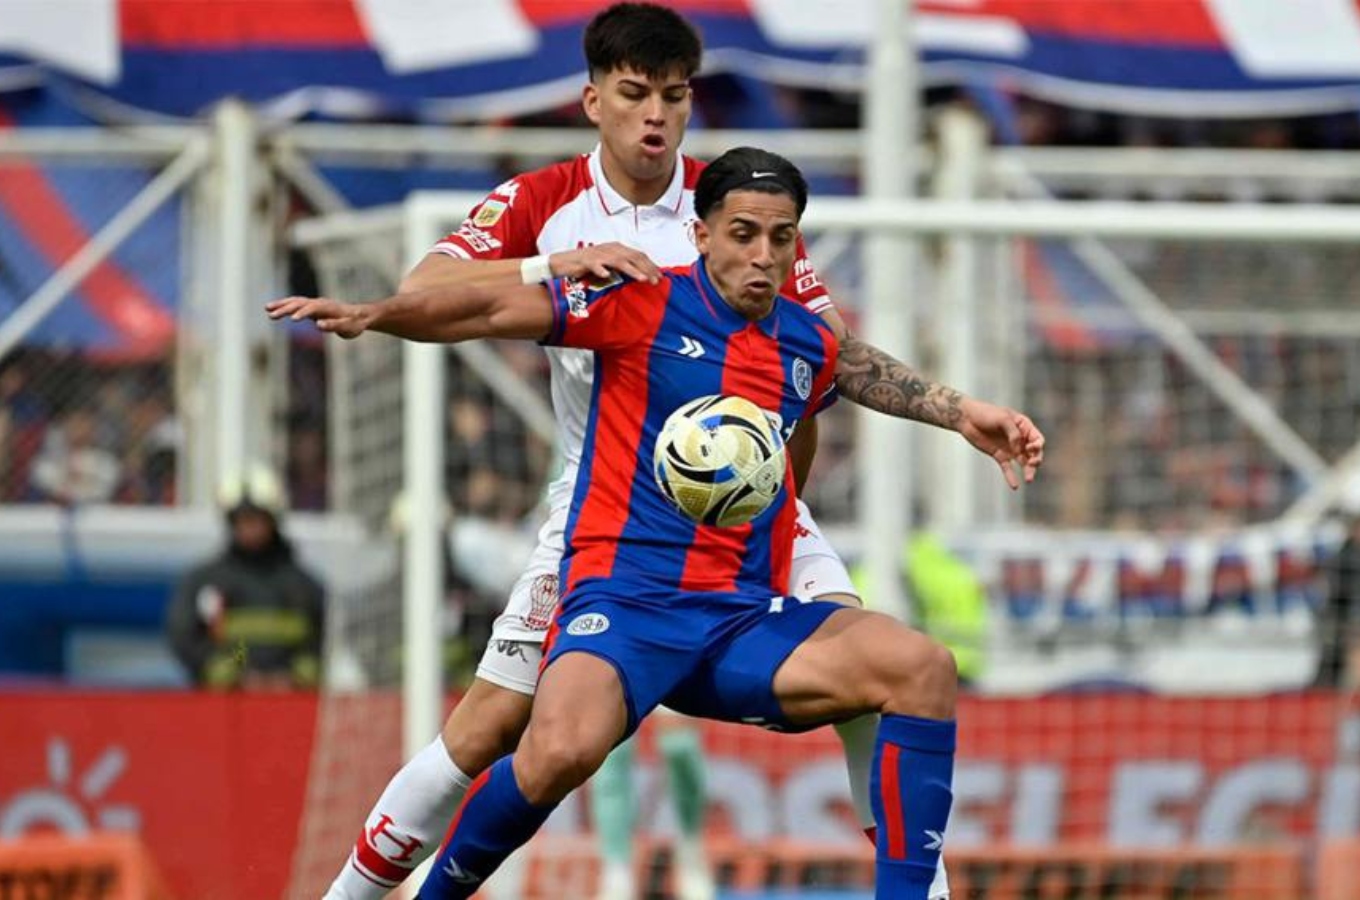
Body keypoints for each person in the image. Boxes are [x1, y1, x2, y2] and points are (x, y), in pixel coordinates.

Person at [274, 6, 1043, 899]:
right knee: (493, 732)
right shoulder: (544, 204)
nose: (655, 116)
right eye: (635, 94)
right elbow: (433, 290)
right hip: (602, 508)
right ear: (593, 99)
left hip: (749, 499)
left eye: (673, 97)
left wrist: (946, 413)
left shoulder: (735, 208)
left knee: (886, 672)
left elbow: (822, 350)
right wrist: (553, 266)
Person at [166, 466, 326, 690]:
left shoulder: (303, 586)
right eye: (243, 520)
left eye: (257, 519)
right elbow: (185, 636)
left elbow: (324, 637)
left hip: (292, 700)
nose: (250, 528)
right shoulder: (206, 582)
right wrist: (230, 672)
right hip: (226, 703)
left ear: (272, 521)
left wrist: (296, 674)